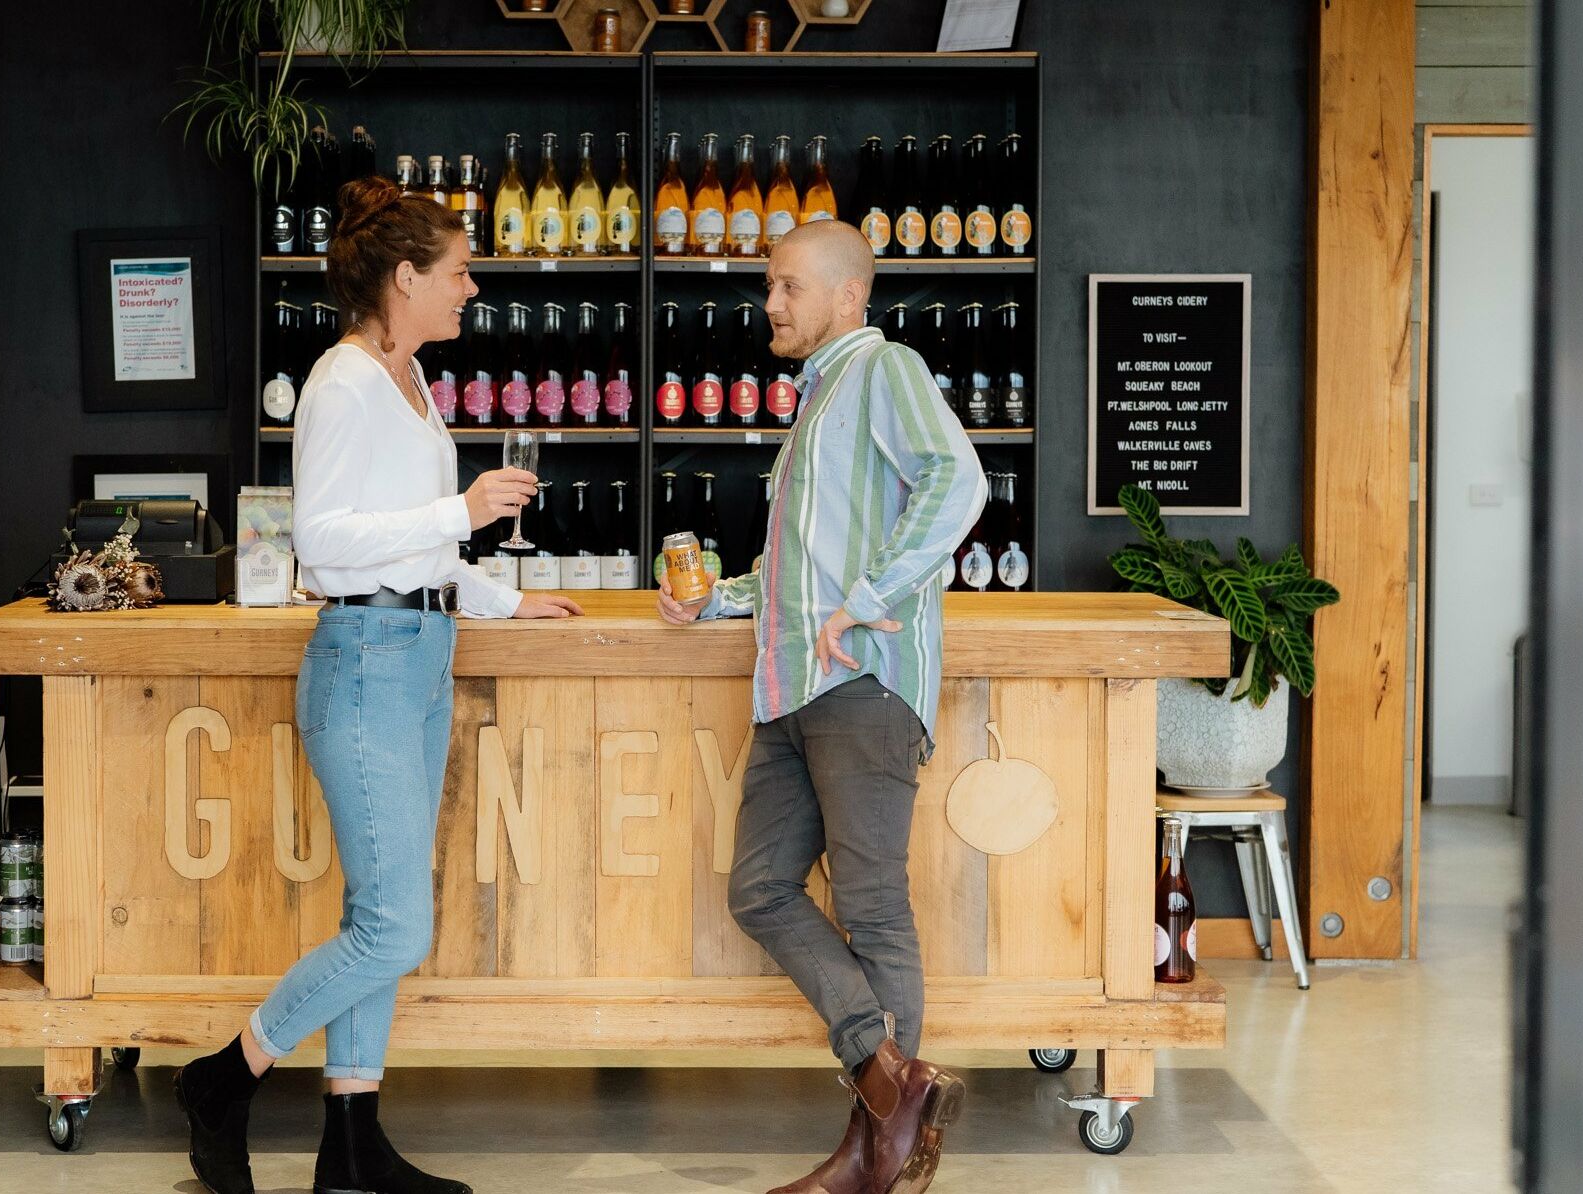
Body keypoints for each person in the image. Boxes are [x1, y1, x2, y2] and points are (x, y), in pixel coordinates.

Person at [174, 176, 583, 1194]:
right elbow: (323, 540)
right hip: (362, 667)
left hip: (416, 661)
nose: (470, 286)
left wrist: (494, 599)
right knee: (396, 927)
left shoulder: (407, 378)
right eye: (455, 271)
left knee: (374, 912)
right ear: (403, 278)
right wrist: (462, 510)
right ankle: (225, 1077)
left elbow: (414, 545)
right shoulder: (343, 382)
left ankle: (350, 1155)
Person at [658, 218, 986, 1194]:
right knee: (758, 888)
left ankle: (870, 1158)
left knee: (873, 908)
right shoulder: (815, 405)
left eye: (788, 286)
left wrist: (873, 598)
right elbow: (798, 571)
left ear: (847, 296)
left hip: (862, 684)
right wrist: (713, 598)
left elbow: (957, 482)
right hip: (793, 689)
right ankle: (893, 1084)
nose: (770, 304)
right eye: (770, 286)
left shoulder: (883, 369)